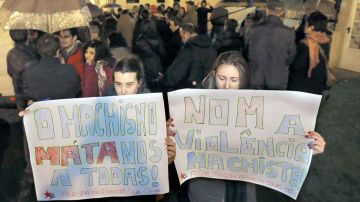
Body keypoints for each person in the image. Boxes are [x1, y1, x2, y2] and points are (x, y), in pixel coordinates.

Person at [181, 51, 326, 202]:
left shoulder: (256, 109)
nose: (227, 86)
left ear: (242, 80)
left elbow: (274, 142)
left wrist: (306, 148)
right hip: (207, 190)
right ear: (213, 75)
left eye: (234, 80)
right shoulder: (196, 107)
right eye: (222, 78)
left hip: (244, 190)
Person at [108, 55, 177, 202]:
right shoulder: (105, 108)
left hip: (142, 188)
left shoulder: (154, 109)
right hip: (114, 186)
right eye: (118, 84)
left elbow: (159, 155)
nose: (123, 91)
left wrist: (168, 157)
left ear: (139, 83)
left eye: (129, 84)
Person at [245, 0, 296, 90]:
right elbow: (291, 57)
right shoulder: (289, 32)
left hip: (255, 78)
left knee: (257, 104)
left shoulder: (253, 29)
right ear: (282, 12)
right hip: (278, 80)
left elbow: (246, 51)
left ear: (267, 10)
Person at [288, 11, 331, 95]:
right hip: (318, 85)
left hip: (302, 87)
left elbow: (296, 66)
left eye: (306, 25)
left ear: (311, 27)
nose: (305, 27)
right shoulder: (326, 40)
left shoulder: (306, 44)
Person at [165, 23, 217, 90]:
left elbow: (175, 75)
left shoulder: (189, 49)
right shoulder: (212, 49)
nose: (181, 40)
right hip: (207, 89)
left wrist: (165, 80)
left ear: (186, 34)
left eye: (181, 37)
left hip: (190, 90)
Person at [6, 29, 39, 110]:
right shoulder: (35, 50)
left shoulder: (10, 55)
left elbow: (10, 72)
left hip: (20, 93)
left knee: (25, 118)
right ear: (27, 35)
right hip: (35, 92)